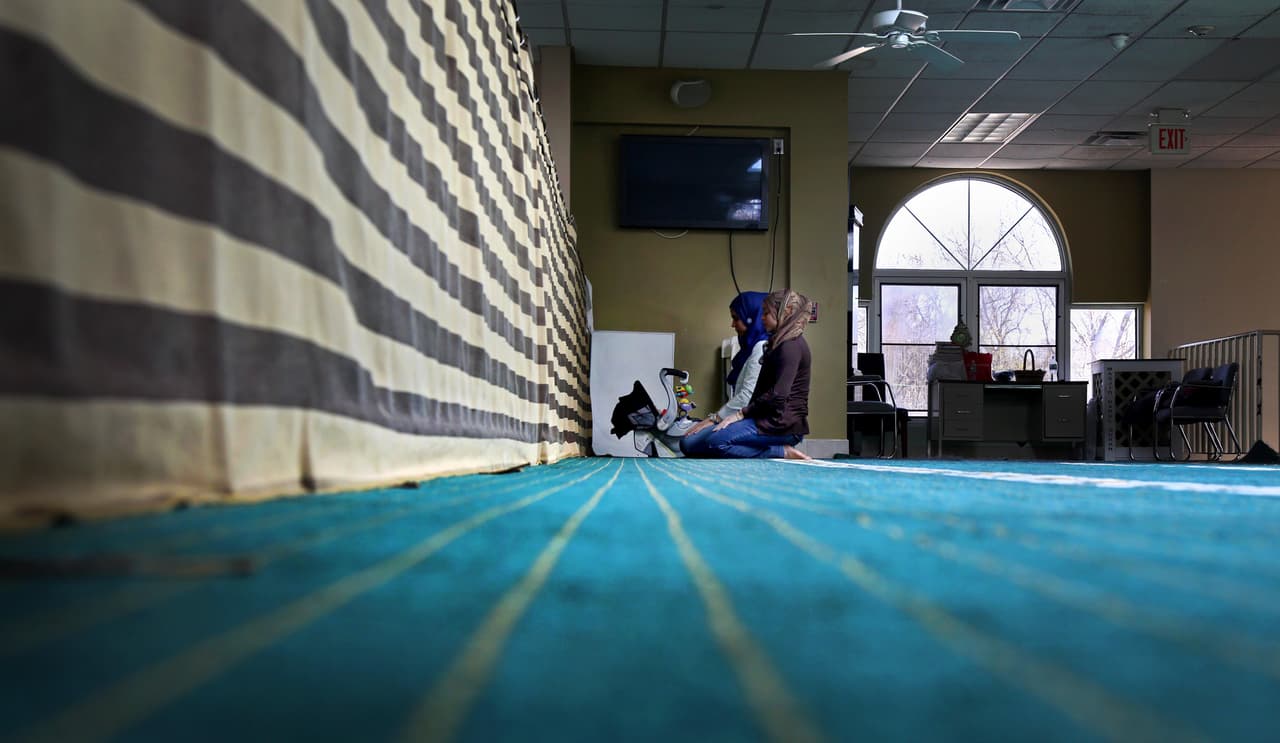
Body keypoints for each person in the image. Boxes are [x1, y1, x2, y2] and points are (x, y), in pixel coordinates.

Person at [681, 289, 813, 460]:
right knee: (688, 444)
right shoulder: (775, 344)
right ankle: (764, 446)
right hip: (761, 418)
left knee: (716, 442)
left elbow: (778, 396)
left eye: (766, 313)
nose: (762, 318)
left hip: (781, 425)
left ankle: (782, 451)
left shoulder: (790, 346)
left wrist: (739, 414)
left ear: (783, 313)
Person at [679, 291, 769, 452]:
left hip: (755, 419)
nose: (732, 324)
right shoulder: (750, 348)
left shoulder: (761, 348)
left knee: (690, 443)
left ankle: (779, 450)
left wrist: (713, 419)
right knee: (689, 440)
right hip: (744, 416)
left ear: (751, 317)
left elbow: (747, 396)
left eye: (736, 318)